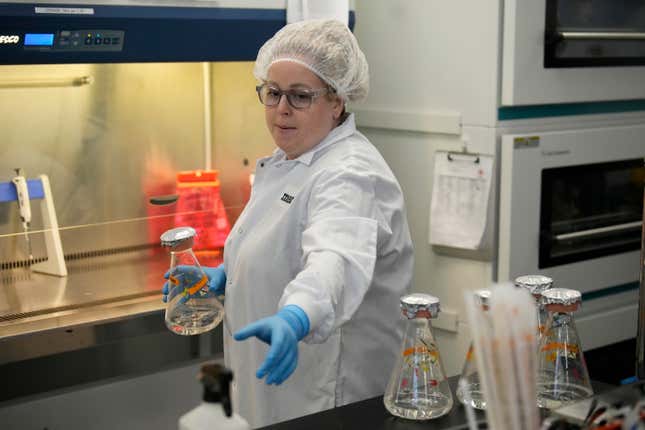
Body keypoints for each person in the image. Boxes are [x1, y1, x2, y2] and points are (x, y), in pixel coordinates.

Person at [163, 19, 413, 428]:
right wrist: (228, 274)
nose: (282, 108)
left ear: (337, 101)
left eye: (300, 96)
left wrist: (297, 315)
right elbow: (283, 240)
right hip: (275, 391)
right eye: (273, 92)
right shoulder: (290, 160)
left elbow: (335, 260)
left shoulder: (350, 174)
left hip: (328, 393)